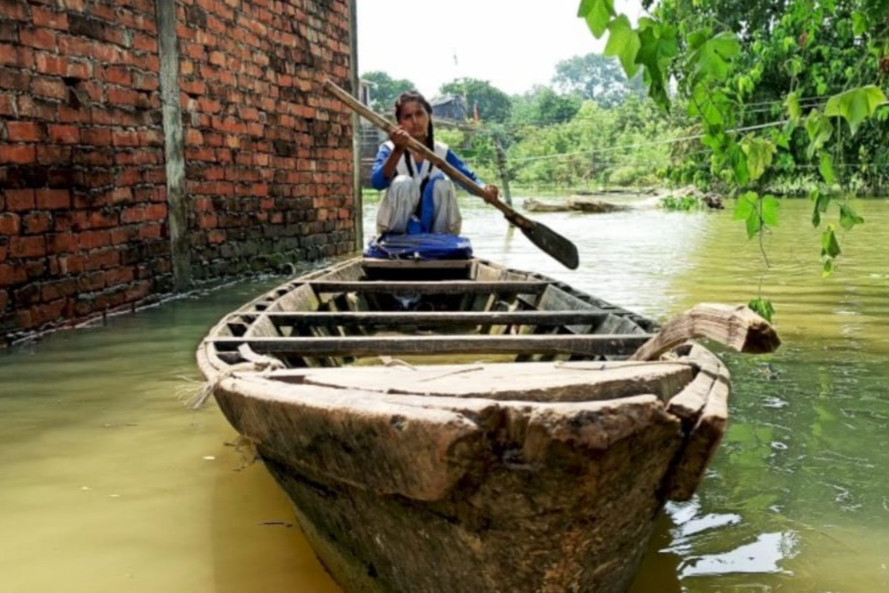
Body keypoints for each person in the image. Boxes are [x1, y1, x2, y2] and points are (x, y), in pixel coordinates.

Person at [370, 90, 499, 236]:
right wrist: (398, 151)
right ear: (400, 123)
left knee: (443, 183)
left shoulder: (441, 151)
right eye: (407, 117)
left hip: (436, 233)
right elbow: (377, 183)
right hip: (397, 232)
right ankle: (397, 239)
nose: (415, 121)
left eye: (419, 114)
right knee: (402, 183)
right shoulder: (389, 149)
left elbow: (467, 179)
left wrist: (485, 190)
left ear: (428, 116)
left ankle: (441, 239)